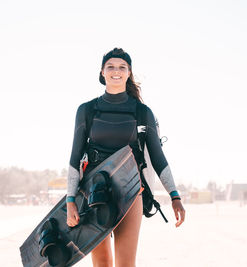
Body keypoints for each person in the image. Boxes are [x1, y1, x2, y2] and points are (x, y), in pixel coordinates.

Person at [66, 47, 185, 267]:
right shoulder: (87, 110)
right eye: (110, 66)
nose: (116, 71)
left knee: (125, 264)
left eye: (122, 67)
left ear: (129, 72)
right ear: (102, 72)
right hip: (93, 193)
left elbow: (159, 159)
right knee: (101, 262)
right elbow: (74, 158)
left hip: (131, 191)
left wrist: (174, 196)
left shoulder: (142, 112)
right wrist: (70, 200)